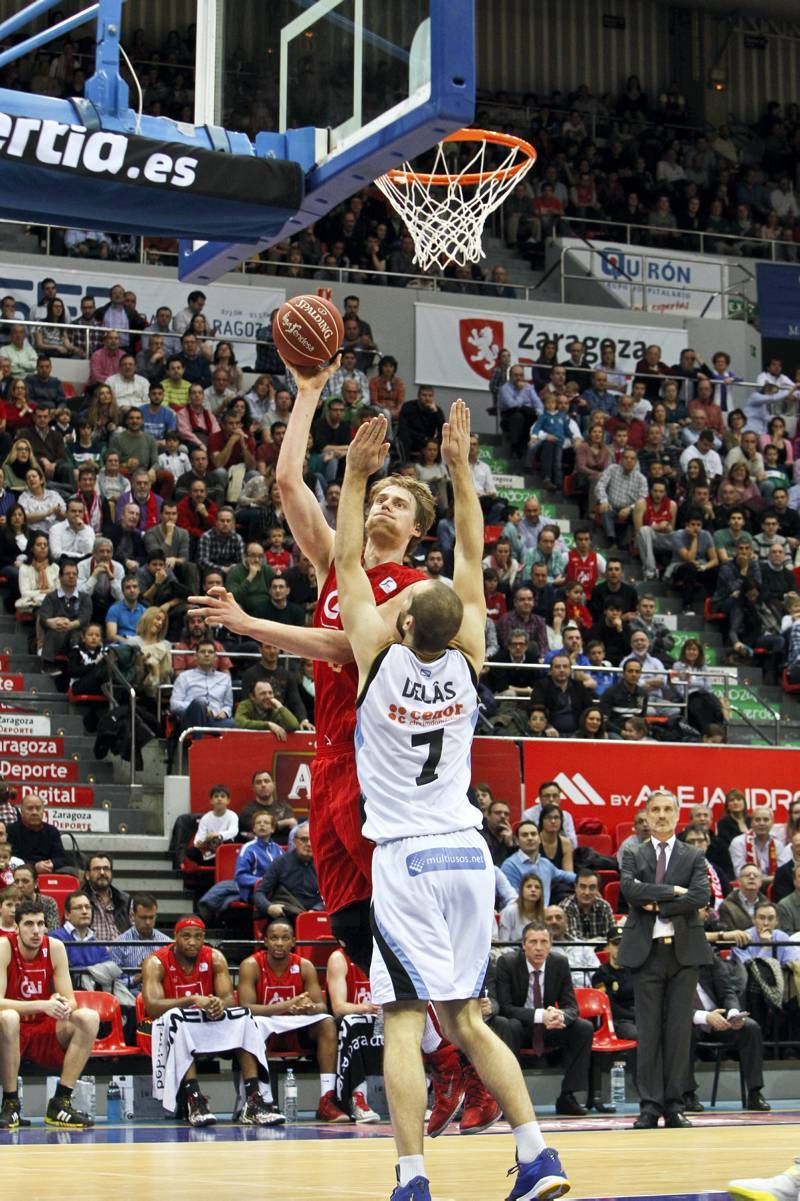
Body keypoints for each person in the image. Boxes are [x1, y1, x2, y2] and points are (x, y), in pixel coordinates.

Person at [334, 401, 568, 1201]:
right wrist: (461, 469)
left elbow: (344, 562)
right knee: (467, 1018)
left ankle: (412, 1177)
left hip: (404, 856)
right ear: (458, 623)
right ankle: (537, 1154)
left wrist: (356, 476)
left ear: (401, 624)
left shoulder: (375, 659)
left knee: (403, 1019)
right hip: (471, 852)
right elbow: (470, 544)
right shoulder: (471, 656)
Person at [618, 788, 712, 1129]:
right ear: (645, 813)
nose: (660, 815)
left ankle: (674, 1105)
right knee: (649, 1032)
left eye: (667, 809)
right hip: (646, 954)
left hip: (684, 954)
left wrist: (655, 902)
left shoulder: (693, 856)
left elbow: (701, 896)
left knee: (677, 1033)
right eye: (655, 809)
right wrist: (675, 893)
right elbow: (630, 890)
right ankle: (649, 1106)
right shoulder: (633, 853)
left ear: (677, 814)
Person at [141, 916, 278, 1126]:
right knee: (178, 1021)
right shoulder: (156, 962)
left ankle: (253, 1100)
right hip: (161, 1029)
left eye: (198, 937)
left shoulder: (215, 958)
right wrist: (193, 999)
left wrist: (219, 1004)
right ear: (175, 938)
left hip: (204, 1025)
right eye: (186, 937)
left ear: (204, 938)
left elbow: (229, 999)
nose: (192, 942)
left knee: (245, 1019)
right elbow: (152, 1007)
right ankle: (194, 1100)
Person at [0, 898, 100, 1129]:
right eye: (28, 924)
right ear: (16, 928)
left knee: (88, 1018)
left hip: (43, 1029)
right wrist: (42, 1004)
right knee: (9, 1017)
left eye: (40, 924)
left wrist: (61, 1003)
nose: (36, 931)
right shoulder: (4, 947)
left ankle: (61, 1102)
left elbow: (72, 1001)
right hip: (9, 1031)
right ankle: (11, 1104)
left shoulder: (55, 947)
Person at [238, 918, 350, 1123]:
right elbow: (245, 1008)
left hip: (296, 1027)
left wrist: (308, 1008)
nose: (279, 943)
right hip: (264, 1026)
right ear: (265, 942)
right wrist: (287, 1005)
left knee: (326, 1022)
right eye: (274, 938)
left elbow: (322, 1006)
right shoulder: (251, 965)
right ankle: (260, 1100)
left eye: (284, 938)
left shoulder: (304, 966)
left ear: (293, 942)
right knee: (248, 1025)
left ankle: (327, 1099)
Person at [495, 922, 594, 1116]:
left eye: (544, 942)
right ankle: (509, 1099)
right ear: (523, 945)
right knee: (510, 1025)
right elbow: (505, 1008)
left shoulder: (560, 963)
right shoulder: (507, 963)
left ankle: (568, 1096)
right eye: (533, 942)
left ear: (550, 945)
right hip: (521, 1027)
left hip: (549, 1028)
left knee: (583, 1028)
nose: (539, 947)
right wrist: (541, 1015)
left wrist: (560, 1015)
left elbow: (572, 1006)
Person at [684, 946, 769, 1114]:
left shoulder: (707, 956)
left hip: (719, 1020)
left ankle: (755, 1092)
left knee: (750, 1028)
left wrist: (733, 1013)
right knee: (683, 1031)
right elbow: (669, 1006)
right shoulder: (669, 962)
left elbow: (727, 991)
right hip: (689, 1019)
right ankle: (686, 1093)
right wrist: (704, 1016)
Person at [326, 945, 383, 1122]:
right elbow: (338, 1007)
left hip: (383, 1017)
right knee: (352, 1023)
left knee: (417, 1022)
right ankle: (358, 1098)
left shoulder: (384, 954)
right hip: (355, 1019)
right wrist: (366, 1007)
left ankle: (422, 1098)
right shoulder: (339, 958)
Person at [198, 809, 282, 920]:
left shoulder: (279, 849)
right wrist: (261, 881)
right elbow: (240, 876)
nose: (262, 825)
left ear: (272, 829)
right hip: (253, 890)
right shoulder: (248, 848)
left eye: (266, 823)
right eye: (258, 823)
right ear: (254, 829)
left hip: (274, 890)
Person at [253, 823, 323, 921]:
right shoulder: (280, 862)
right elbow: (260, 893)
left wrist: (317, 909)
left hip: (314, 915)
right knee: (281, 930)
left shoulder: (323, 866)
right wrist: (269, 907)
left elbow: (329, 897)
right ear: (294, 841)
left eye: (313, 839)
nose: (309, 844)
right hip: (285, 913)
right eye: (304, 839)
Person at [169, 638, 234, 732]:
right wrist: (201, 709)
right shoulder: (184, 677)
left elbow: (228, 705)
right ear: (195, 656)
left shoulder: (225, 678)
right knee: (199, 703)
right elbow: (174, 704)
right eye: (203, 651)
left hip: (215, 720)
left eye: (210, 652)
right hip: (190, 719)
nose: (207, 654)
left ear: (215, 657)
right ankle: (197, 743)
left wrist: (225, 712)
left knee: (232, 723)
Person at [110, 892, 170, 994]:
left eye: (151, 917)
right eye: (143, 917)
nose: (147, 922)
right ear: (133, 916)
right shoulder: (119, 944)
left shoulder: (166, 943)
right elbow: (113, 983)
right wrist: (136, 978)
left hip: (160, 994)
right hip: (130, 997)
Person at [7, 794, 66, 872]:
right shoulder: (11, 830)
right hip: (20, 874)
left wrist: (52, 864)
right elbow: (10, 859)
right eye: (30, 808)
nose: (34, 812)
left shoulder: (52, 831)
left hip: (49, 873)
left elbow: (62, 858)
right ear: (22, 811)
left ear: (43, 811)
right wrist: (34, 866)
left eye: (38, 808)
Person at [81, 852, 130, 939]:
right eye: (97, 869)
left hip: (122, 950)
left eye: (106, 868)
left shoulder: (125, 900)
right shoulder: (79, 900)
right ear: (87, 875)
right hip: (92, 950)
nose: (102, 873)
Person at [561, 870, 615, 944]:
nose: (587, 892)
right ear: (575, 888)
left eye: (592, 887)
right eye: (583, 887)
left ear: (597, 889)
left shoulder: (604, 907)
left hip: (600, 952)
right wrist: (598, 941)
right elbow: (573, 941)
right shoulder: (566, 907)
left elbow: (611, 938)